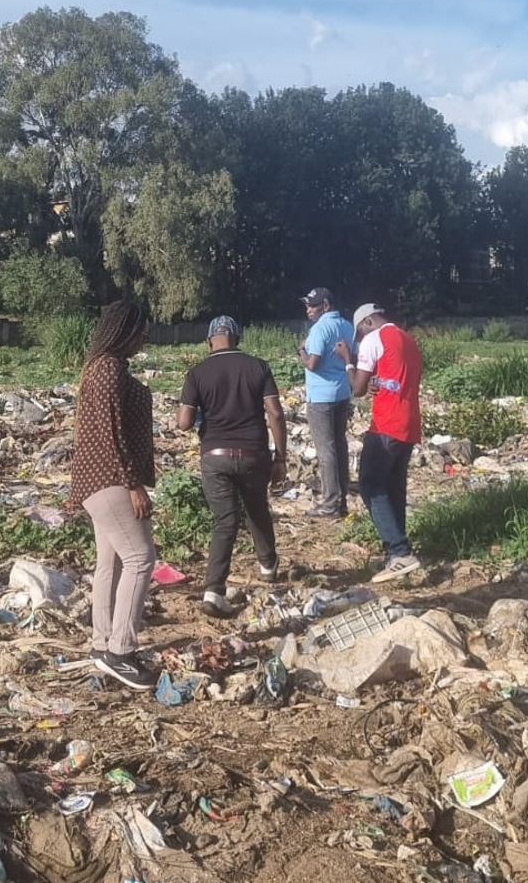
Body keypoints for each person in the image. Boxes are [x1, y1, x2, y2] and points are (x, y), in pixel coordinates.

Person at [67, 301, 158, 689]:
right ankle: (121, 652)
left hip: (98, 481)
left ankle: (102, 643)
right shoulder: (108, 369)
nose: (144, 338)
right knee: (141, 558)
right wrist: (133, 484)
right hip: (110, 480)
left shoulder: (101, 367)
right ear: (124, 331)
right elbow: (111, 432)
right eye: (141, 331)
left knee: (112, 562)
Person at [178, 316, 287, 619]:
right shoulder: (258, 367)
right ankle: (268, 566)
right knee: (257, 507)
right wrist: (280, 457)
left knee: (225, 520)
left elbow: (184, 423)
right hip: (253, 453)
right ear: (237, 338)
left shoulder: (197, 373)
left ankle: (214, 590)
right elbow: (276, 414)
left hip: (215, 455)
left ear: (209, 341)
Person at [339, 303, 423, 581]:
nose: (361, 337)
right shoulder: (407, 339)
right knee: (394, 488)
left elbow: (358, 389)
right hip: (409, 423)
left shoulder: (373, 339)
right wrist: (379, 380)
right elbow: (398, 379)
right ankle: (397, 553)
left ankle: (399, 552)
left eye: (360, 332)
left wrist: (348, 361)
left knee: (371, 486)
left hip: (387, 424)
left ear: (367, 322)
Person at [299, 287, 355, 517]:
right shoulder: (346, 326)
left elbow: (313, 364)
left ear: (325, 306)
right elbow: (352, 355)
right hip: (341, 393)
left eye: (312, 306)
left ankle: (330, 503)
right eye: (307, 305)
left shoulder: (320, 328)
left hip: (321, 397)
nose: (308, 310)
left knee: (326, 450)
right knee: (340, 445)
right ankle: (342, 501)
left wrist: (301, 352)